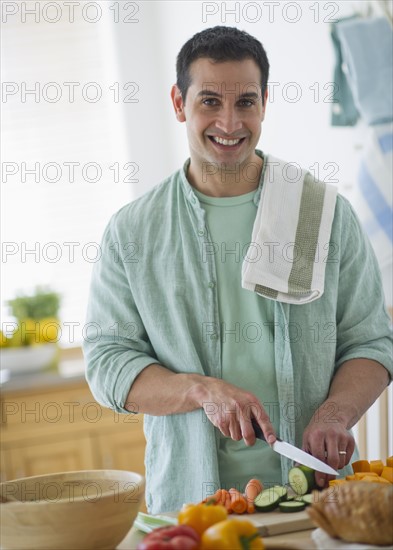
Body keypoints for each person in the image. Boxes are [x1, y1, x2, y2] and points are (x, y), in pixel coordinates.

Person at [83, 26, 392, 514]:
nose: (230, 121)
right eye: (209, 101)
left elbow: (371, 342)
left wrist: (336, 412)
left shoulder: (322, 213)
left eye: (246, 101)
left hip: (320, 497)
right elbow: (108, 363)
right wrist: (201, 391)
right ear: (178, 103)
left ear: (265, 103)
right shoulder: (134, 231)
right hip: (192, 503)